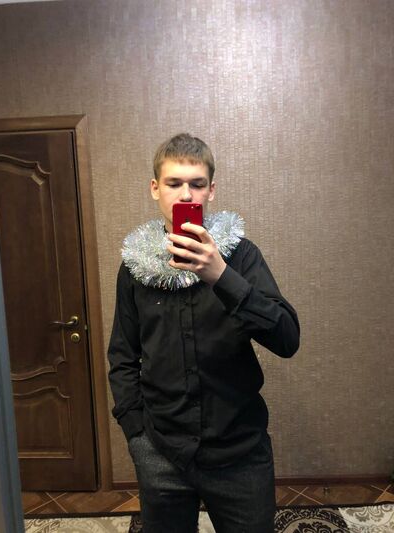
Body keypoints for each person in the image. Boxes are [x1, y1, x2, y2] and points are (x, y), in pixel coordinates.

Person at [108, 133, 300, 533]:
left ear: (211, 190)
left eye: (197, 184)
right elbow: (123, 355)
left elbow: (287, 339)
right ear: (155, 188)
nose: (186, 194)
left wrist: (221, 276)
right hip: (160, 452)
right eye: (174, 183)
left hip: (239, 452)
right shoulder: (134, 267)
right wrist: (136, 433)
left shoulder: (241, 256)